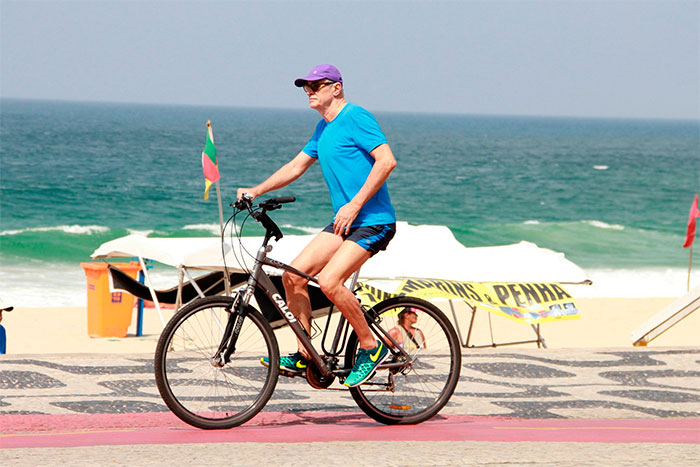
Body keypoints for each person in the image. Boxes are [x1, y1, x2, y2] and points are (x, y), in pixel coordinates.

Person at [238, 64, 397, 387]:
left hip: (373, 221)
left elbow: (387, 161)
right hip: (345, 222)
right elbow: (296, 166)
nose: (309, 91)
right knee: (292, 277)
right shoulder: (323, 129)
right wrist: (256, 190)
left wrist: (354, 204)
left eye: (316, 86)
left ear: (336, 88)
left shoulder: (356, 117)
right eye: (305, 87)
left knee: (328, 281)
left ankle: (371, 346)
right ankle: (305, 353)